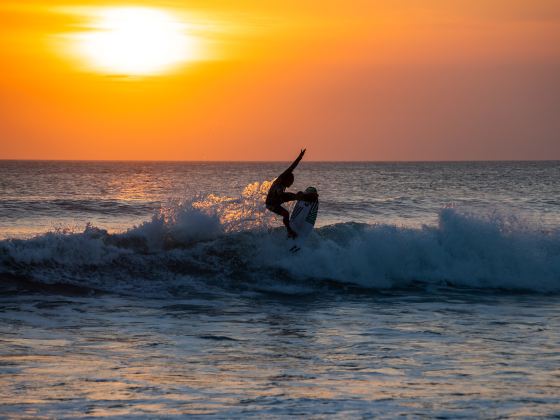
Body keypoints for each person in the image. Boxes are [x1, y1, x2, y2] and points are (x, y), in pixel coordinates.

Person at [265, 148, 317, 238]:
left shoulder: (284, 183)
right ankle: (289, 231)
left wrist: (300, 157)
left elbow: (293, 168)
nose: (291, 183)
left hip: (280, 198)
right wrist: (300, 157)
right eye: (291, 181)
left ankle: (308, 198)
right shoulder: (280, 180)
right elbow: (291, 167)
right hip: (271, 202)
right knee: (286, 212)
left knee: (297, 196)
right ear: (287, 179)